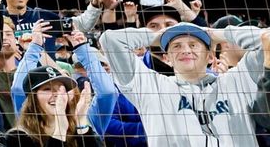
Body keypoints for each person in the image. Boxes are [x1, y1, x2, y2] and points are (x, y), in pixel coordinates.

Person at [99, 22, 269, 145]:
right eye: (176, 46)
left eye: (193, 44)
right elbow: (110, 39)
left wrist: (215, 33)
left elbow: (266, 38)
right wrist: (157, 37)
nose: (185, 50)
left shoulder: (237, 81)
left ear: (210, 56)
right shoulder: (151, 87)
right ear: (167, 58)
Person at [6, 66, 101, 147]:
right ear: (32, 98)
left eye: (61, 89)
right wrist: (60, 129)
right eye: (47, 89)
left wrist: (81, 120)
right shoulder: (17, 137)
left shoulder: (78, 131)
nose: (57, 94)